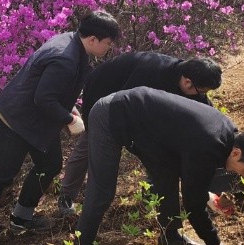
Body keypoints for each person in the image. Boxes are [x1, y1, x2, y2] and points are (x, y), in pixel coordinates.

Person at [73, 87, 244, 245]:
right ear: (236, 153)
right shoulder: (209, 144)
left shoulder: (227, 136)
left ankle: (171, 238)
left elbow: (191, 178)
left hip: (147, 127)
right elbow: (194, 205)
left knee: (167, 176)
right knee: (102, 192)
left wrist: (207, 197)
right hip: (112, 115)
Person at [0, 10, 122, 231]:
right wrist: (69, 119)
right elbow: (44, 98)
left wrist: (70, 109)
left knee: (50, 164)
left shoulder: (73, 43)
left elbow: (55, 91)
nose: (108, 48)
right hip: (16, 119)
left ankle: (21, 217)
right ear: (93, 39)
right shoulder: (66, 58)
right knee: (2, 175)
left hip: (36, 119)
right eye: (108, 43)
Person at [54, 53, 223, 232]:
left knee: (160, 149)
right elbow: (126, 108)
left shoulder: (190, 78)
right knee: (89, 145)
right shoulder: (151, 73)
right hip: (104, 95)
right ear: (188, 82)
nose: (202, 95)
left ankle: (151, 192)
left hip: (133, 101)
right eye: (202, 91)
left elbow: (204, 110)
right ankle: (66, 196)